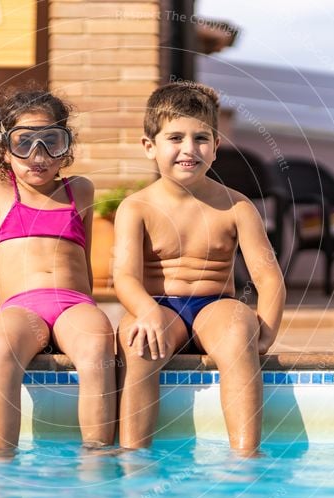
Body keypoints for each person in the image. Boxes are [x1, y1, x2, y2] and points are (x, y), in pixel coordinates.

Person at [0, 88, 116, 455]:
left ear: (66, 147)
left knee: (96, 344)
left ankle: (97, 460)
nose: (38, 156)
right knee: (0, 350)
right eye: (24, 143)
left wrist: (87, 318)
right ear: (4, 146)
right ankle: (0, 465)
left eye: (51, 142)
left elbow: (85, 261)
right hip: (21, 308)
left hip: (73, 305)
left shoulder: (80, 190)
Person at [113, 82, 285, 456]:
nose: (189, 149)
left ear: (216, 146)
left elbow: (268, 277)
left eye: (201, 138)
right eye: (175, 137)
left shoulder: (236, 207)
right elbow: (124, 276)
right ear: (149, 146)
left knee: (240, 332)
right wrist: (145, 311)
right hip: (158, 307)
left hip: (214, 307)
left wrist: (266, 333)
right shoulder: (136, 207)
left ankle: (246, 455)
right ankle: (133, 455)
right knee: (136, 341)